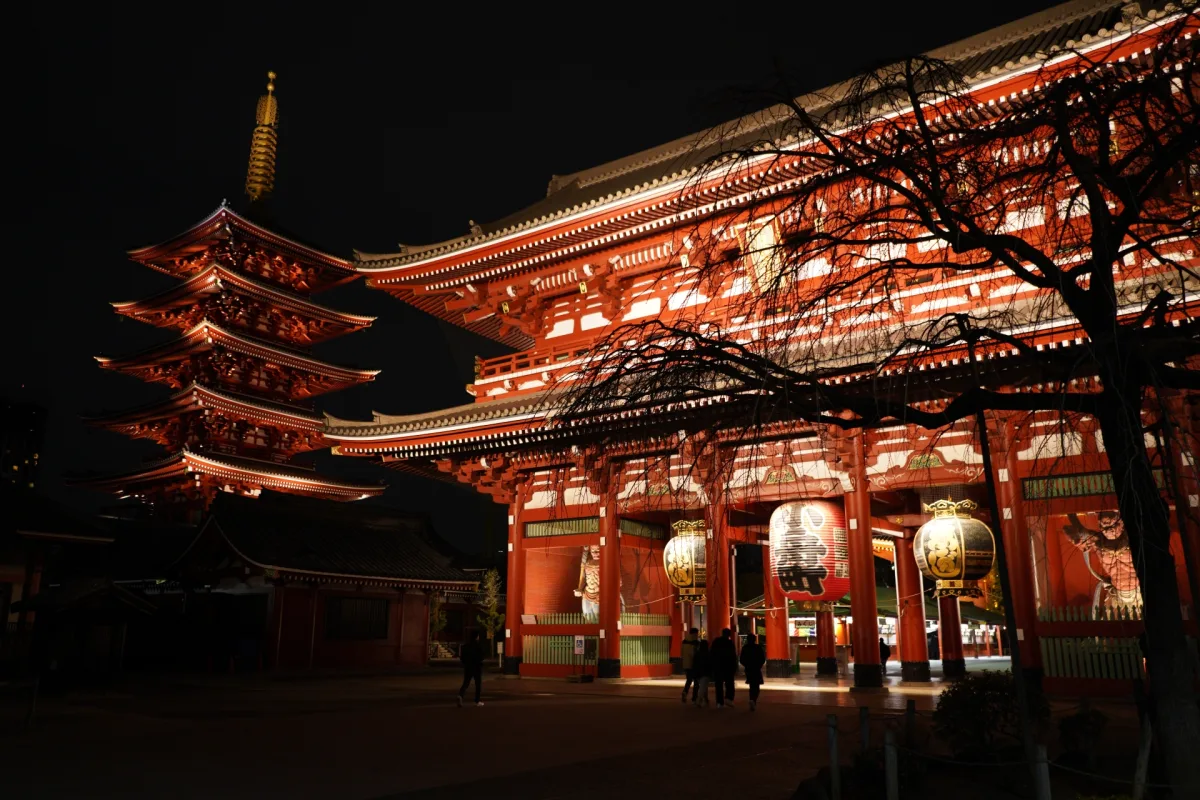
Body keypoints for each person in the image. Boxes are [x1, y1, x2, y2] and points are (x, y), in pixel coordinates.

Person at [711, 627, 738, 708]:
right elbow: (733, 656)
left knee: (718, 684)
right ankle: (729, 699)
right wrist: (735, 667)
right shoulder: (730, 643)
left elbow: (712, 653)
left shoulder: (716, 642)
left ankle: (719, 702)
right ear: (729, 635)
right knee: (729, 683)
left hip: (718, 666)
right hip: (728, 666)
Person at [740, 632, 766, 711]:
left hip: (748, 669)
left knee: (751, 685)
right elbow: (762, 658)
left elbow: (741, 659)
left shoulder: (745, 648)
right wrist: (759, 665)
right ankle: (753, 700)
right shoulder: (758, 647)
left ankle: (751, 699)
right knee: (757, 686)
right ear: (755, 640)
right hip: (756, 668)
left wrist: (746, 665)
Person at [457, 630, 484, 707]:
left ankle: (460, 695)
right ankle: (477, 700)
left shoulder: (466, 646)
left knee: (466, 683)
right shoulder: (478, 646)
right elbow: (481, 656)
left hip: (468, 667)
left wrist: (466, 663)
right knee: (478, 684)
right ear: (477, 637)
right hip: (477, 667)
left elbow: (462, 658)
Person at [680, 628, 700, 704]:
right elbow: (693, 654)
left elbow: (681, 653)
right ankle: (694, 698)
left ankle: (685, 691)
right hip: (693, 665)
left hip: (686, 664)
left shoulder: (684, 641)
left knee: (689, 680)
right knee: (696, 682)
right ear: (695, 633)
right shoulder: (695, 642)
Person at [693, 638, 711, 707]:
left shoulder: (697, 654)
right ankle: (699, 700)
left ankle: (705, 699)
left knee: (703, 686)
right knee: (703, 687)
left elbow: (694, 664)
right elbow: (710, 664)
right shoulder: (708, 653)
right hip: (706, 673)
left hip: (698, 673)